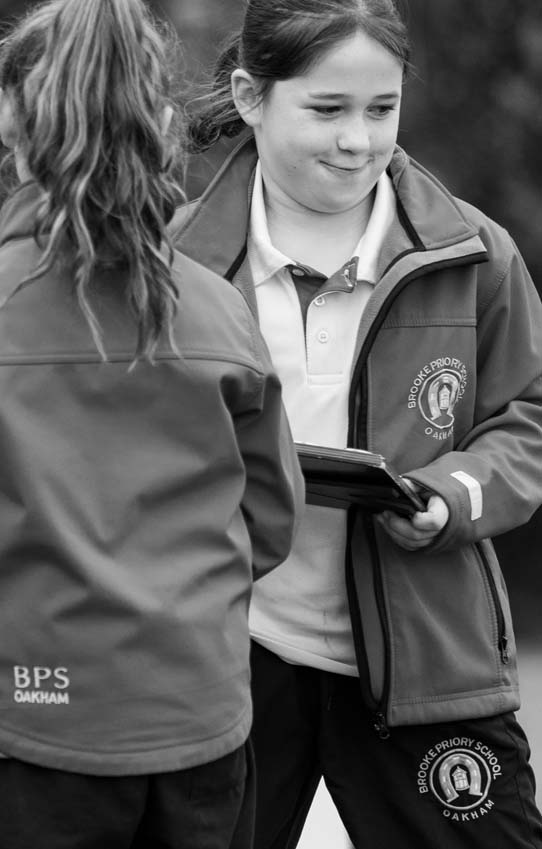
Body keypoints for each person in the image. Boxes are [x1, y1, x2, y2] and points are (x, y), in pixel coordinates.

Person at [174, 1, 542, 847]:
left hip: (430, 663)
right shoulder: (175, 267)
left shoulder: (476, 254)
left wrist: (455, 494)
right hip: (232, 661)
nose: (358, 141)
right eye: (328, 110)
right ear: (251, 95)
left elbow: (529, 415)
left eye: (381, 109)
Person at [0, 1, 305, 847]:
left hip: (25, 727)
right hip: (199, 723)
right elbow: (270, 521)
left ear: (9, 115)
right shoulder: (221, 312)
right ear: (161, 122)